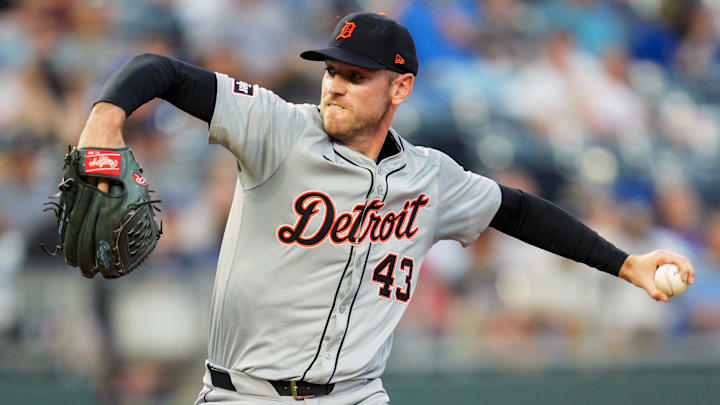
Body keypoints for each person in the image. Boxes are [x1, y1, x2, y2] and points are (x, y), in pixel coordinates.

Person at [77, 12, 695, 405]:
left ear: (400, 87)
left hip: (357, 395)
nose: (334, 84)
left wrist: (627, 265)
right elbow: (157, 70)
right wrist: (106, 119)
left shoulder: (430, 177)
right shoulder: (276, 129)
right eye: (331, 71)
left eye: (356, 75)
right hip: (246, 396)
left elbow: (520, 211)